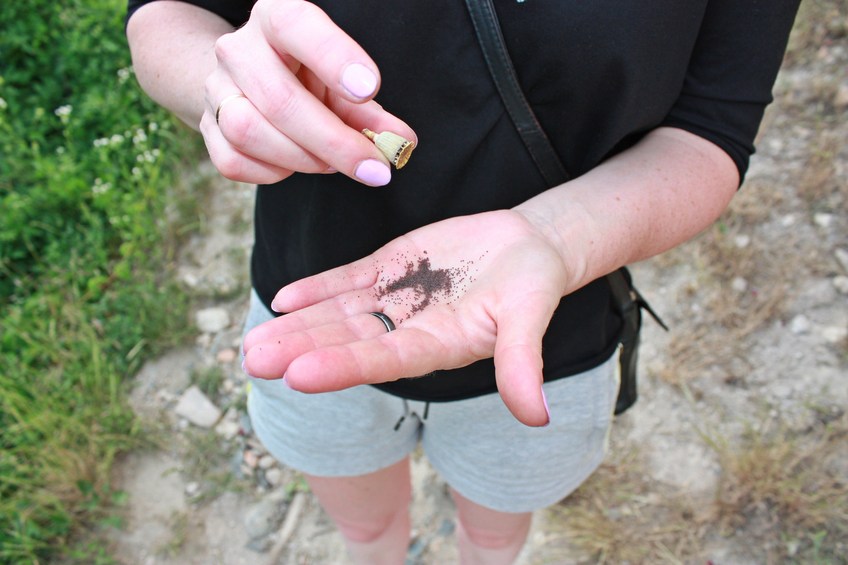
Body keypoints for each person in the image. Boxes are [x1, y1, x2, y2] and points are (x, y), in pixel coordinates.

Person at [126, 1, 800, 563]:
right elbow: (163, 15)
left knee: (493, 536)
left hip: (546, 334)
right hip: (313, 301)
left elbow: (711, 127)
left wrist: (556, 238)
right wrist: (225, 91)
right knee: (363, 530)